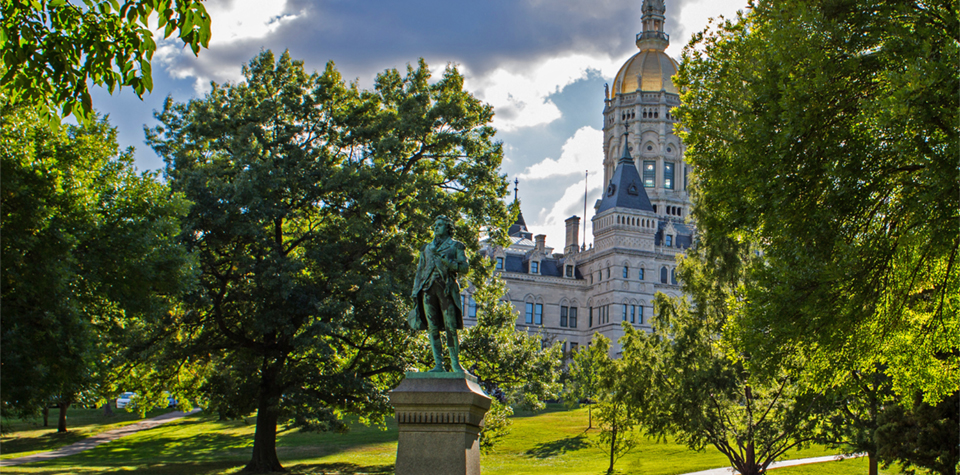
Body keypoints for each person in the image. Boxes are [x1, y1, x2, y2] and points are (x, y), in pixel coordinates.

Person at [408, 215, 469, 373]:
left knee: (450, 327)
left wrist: (448, 263)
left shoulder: (456, 246)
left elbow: (464, 268)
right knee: (432, 328)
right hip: (428, 289)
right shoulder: (426, 248)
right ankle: (438, 364)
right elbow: (420, 271)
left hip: (446, 289)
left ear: (447, 228)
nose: (436, 227)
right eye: (435, 224)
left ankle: (455, 364)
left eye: (440, 224)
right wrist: (415, 292)